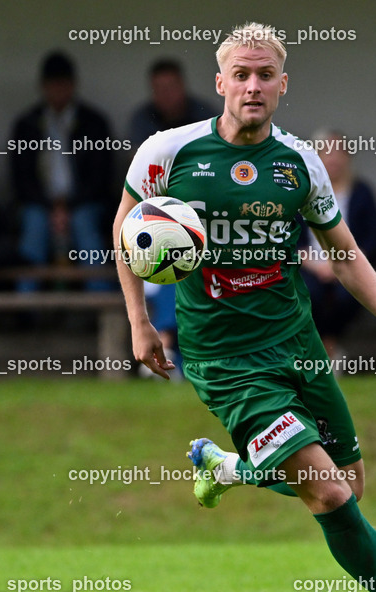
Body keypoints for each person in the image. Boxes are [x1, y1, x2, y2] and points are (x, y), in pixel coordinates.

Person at [114, 23, 376, 592]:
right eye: (241, 75)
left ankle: (227, 469)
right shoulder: (167, 153)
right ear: (221, 81)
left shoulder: (298, 163)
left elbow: (343, 251)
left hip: (296, 346)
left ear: (283, 84)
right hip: (224, 359)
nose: (253, 86)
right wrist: (141, 323)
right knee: (330, 495)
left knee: (351, 488)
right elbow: (126, 230)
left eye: (265, 75)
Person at [128, 58, 216, 373]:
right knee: (166, 253)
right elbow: (141, 183)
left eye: (171, 87)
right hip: (150, 220)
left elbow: (209, 181)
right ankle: (166, 345)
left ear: (183, 87)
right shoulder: (141, 122)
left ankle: (170, 346)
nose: (166, 95)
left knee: (182, 254)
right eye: (159, 89)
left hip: (202, 223)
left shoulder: (206, 117)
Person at [11, 51, 114, 292]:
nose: (58, 90)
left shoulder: (94, 122)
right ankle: (25, 312)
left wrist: (68, 207)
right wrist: (52, 208)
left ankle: (100, 310)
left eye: (63, 84)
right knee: (34, 225)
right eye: (52, 84)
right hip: (39, 204)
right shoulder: (26, 124)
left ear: (73, 85)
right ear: (43, 87)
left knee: (84, 225)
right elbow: (21, 178)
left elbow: (101, 177)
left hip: (84, 204)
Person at [300, 129, 376, 360]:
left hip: (350, 263)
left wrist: (342, 262)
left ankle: (328, 346)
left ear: (348, 157)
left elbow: (372, 238)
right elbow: (291, 239)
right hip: (310, 266)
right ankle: (326, 350)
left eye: (338, 152)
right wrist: (318, 266)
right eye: (326, 152)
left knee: (348, 297)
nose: (333, 158)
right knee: (309, 294)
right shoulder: (301, 191)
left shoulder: (362, 192)